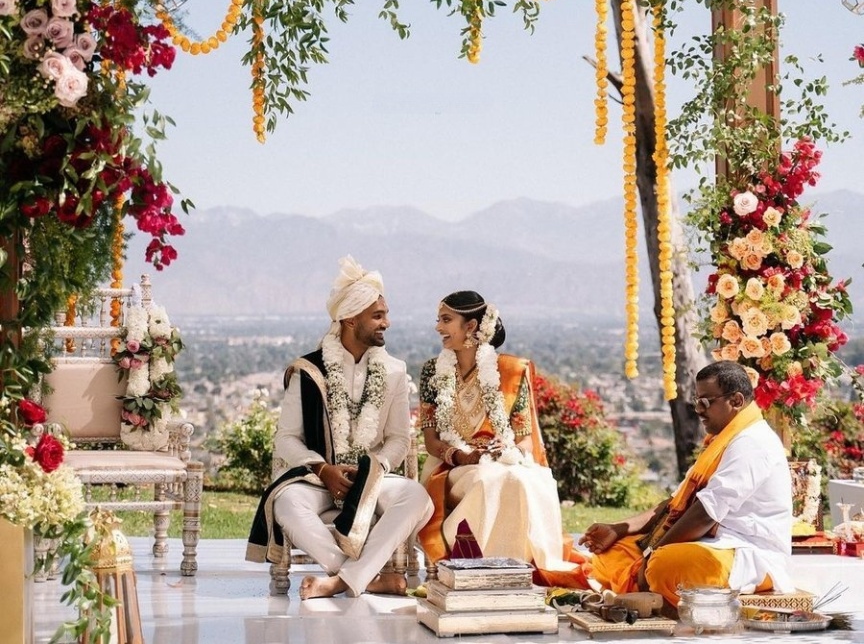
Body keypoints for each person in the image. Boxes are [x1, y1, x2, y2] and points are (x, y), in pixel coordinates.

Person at [246, 255, 433, 599]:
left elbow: (398, 440)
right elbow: (286, 439)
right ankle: (369, 578)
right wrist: (323, 469)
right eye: (378, 315)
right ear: (349, 319)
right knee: (285, 504)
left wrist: (375, 470)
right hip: (317, 478)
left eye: (385, 314)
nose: (387, 323)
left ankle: (339, 581)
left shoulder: (392, 371)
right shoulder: (309, 371)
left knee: (417, 497)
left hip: (373, 479)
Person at [580, 360, 794, 608]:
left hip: (745, 553)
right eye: (697, 401)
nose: (699, 410)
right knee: (612, 551)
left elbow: (704, 514)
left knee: (664, 566)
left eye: (706, 402)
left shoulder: (752, 443)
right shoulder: (723, 439)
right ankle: (645, 586)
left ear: (735, 401)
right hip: (705, 543)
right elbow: (674, 504)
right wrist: (619, 529)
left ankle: (647, 585)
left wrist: (650, 555)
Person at [417, 290, 585, 583]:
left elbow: (524, 440)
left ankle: (514, 572)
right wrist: (461, 455)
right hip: (450, 465)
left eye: (446, 320)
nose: (438, 328)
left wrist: (506, 448)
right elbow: (431, 441)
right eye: (439, 320)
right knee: (487, 480)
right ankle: (471, 568)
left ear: (470, 327)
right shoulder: (433, 371)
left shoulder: (511, 371)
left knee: (524, 479)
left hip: (501, 460)